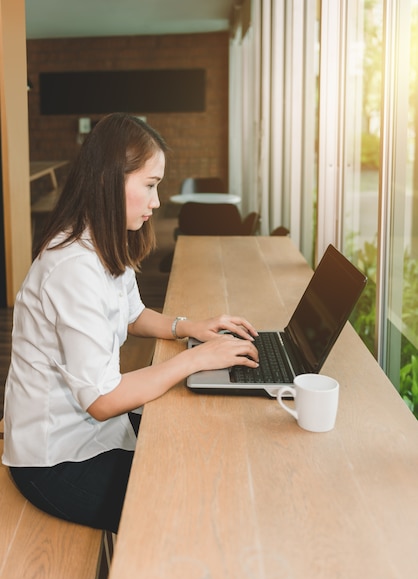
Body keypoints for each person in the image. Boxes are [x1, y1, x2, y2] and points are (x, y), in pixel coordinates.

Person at [2, 113, 259, 533]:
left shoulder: (103, 239)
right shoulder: (72, 267)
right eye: (151, 185)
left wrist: (189, 327)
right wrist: (193, 362)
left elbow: (133, 314)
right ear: (109, 181)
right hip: (55, 460)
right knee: (188, 501)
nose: (157, 202)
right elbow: (102, 400)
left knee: (199, 448)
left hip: (91, 434)